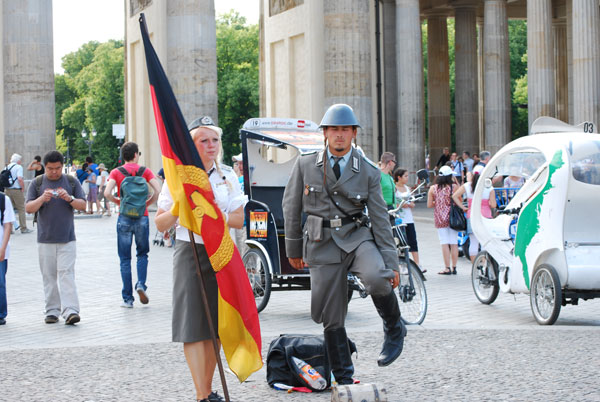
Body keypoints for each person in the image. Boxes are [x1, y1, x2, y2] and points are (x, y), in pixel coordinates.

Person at [282, 104, 406, 385]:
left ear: (354, 134)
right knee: (331, 314)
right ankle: (344, 377)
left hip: (356, 237)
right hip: (320, 242)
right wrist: (293, 249)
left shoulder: (368, 171)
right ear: (325, 133)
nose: (339, 135)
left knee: (377, 278)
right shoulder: (305, 164)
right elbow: (291, 207)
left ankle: (394, 328)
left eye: (345, 130)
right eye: (334, 130)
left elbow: (380, 219)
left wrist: (391, 263)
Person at [155, 116, 245, 402]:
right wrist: (179, 210)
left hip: (221, 251)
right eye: (203, 140)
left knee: (216, 326)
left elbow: (239, 219)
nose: (211, 146)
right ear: (192, 146)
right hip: (189, 251)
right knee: (193, 326)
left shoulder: (227, 176)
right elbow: (160, 223)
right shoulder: (178, 178)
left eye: (214, 140)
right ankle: (202, 393)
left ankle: (205, 392)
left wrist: (218, 215)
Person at [25, 150, 86, 325]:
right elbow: (28, 208)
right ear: (45, 167)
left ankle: (71, 311)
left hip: (67, 237)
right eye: (50, 169)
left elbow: (83, 205)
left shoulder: (71, 181)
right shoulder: (37, 183)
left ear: (62, 167)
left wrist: (70, 199)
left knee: (67, 274)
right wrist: (42, 199)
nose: (54, 172)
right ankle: (52, 310)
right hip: (45, 238)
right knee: (49, 276)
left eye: (58, 168)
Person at [105, 142, 161, 308]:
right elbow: (158, 190)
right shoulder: (145, 171)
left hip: (124, 217)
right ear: (136, 154)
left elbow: (107, 193)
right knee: (142, 254)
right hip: (142, 217)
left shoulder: (117, 172)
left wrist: (119, 202)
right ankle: (141, 285)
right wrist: (147, 203)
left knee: (124, 259)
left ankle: (128, 299)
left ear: (123, 156)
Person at [452, 165, 496, 262]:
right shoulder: (489, 187)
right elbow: (493, 205)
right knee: (484, 242)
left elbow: (455, 196)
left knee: (473, 242)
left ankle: (475, 266)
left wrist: (463, 207)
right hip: (486, 216)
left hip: (471, 216)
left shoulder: (467, 186)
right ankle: (485, 266)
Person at [427, 165, 459, 275]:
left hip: (440, 218)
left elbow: (429, 204)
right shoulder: (454, 187)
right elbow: (459, 199)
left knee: (444, 242)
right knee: (454, 242)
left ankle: (447, 267)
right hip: (453, 217)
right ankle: (454, 267)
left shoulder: (433, 188)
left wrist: (438, 202)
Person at [393, 168, 422, 271]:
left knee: (413, 241)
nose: (407, 178)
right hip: (399, 219)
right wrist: (401, 205)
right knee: (401, 243)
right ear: (399, 177)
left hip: (409, 219)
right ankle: (403, 264)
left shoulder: (408, 188)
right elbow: (393, 203)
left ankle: (417, 264)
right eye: (405, 176)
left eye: (407, 176)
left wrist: (410, 204)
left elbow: (413, 203)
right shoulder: (394, 188)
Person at [4, 153, 32, 234]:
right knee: (21, 209)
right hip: (16, 190)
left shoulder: (6, 167)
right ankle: (23, 228)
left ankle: (9, 229)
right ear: (18, 160)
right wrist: (23, 187)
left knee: (9, 209)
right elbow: (20, 178)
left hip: (7, 189)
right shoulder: (18, 167)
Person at [0, 193, 16, 325]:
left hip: (0, 248)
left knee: (0, 282)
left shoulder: (3, 199)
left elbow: (7, 226)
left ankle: (0, 313)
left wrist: (3, 248)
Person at [379, 152, 397, 224]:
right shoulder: (378, 175)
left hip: (392, 210)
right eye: (394, 161)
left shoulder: (389, 176)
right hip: (382, 210)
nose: (395, 164)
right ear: (390, 162)